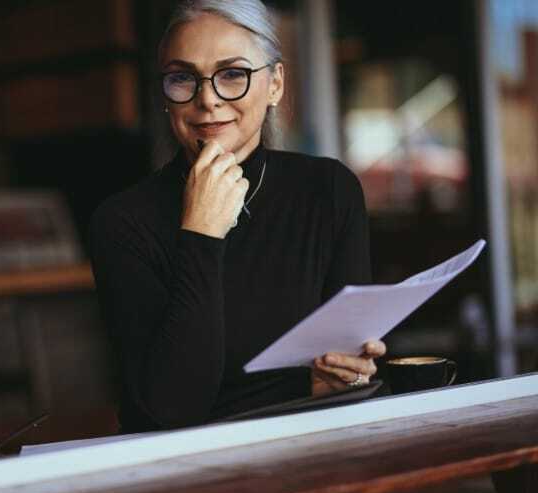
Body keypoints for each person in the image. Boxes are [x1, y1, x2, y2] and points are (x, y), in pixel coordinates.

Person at [89, 0, 386, 433]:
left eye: (232, 74)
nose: (207, 99)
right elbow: (170, 411)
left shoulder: (328, 191)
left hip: (309, 452)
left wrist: (347, 375)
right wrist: (202, 235)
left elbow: (342, 376)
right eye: (182, 78)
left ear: (275, 84)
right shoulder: (121, 223)